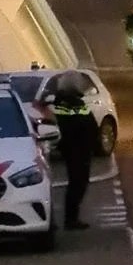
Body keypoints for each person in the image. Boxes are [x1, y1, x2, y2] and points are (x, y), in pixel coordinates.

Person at [47, 71, 99, 230]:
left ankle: (67, 219)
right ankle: (70, 220)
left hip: (72, 149)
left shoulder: (60, 103)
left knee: (76, 183)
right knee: (78, 184)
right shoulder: (74, 104)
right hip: (78, 150)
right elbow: (90, 125)